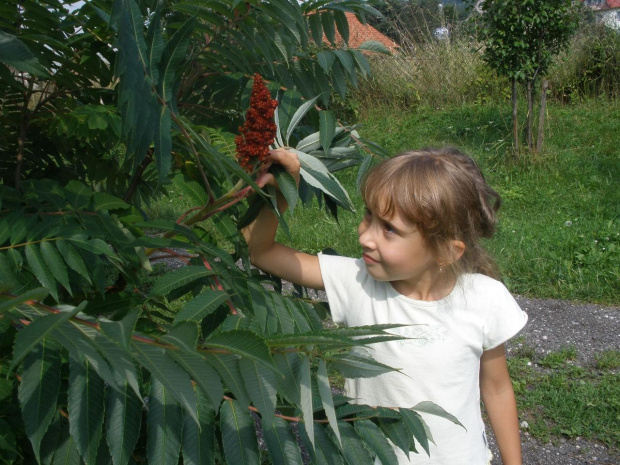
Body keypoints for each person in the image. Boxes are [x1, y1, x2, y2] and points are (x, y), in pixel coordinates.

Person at [243, 147, 528, 465]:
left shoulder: (485, 299)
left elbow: (497, 388)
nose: (364, 236)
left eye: (389, 229)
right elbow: (261, 252)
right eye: (369, 216)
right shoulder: (356, 281)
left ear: (446, 252)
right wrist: (284, 188)